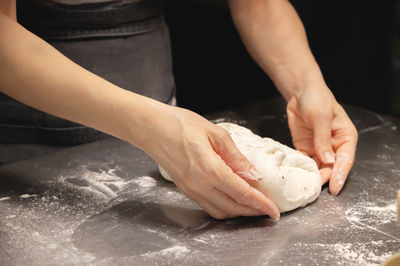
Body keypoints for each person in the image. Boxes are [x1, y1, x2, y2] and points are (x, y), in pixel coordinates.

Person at [0, 0, 358, 220]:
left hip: (159, 103)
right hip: (32, 129)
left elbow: (257, 3)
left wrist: (304, 85)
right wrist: (150, 125)